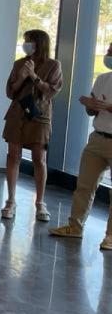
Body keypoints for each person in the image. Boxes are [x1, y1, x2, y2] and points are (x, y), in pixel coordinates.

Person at [50, 42, 112, 251]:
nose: (107, 54)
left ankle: (110, 236)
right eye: (108, 50)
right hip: (97, 139)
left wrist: (109, 107)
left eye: (111, 51)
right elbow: (92, 112)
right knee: (84, 185)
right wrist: (91, 106)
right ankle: (75, 226)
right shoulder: (103, 79)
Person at [0, 30, 63, 221]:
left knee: (39, 159)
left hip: (40, 116)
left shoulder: (53, 65)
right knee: (13, 155)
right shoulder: (19, 63)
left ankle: (40, 203)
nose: (25, 44)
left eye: (29, 41)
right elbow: (10, 91)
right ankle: (11, 201)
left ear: (39, 43)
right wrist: (21, 77)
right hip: (17, 114)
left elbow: (52, 91)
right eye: (25, 41)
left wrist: (34, 76)